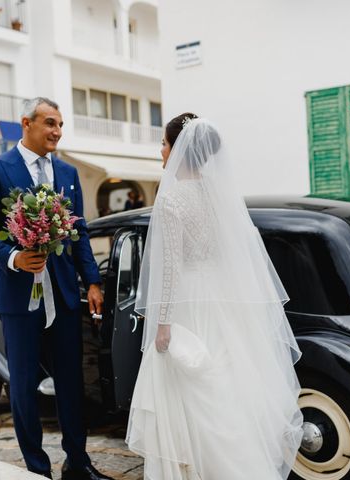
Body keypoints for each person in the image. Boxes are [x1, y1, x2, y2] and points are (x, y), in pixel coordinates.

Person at [126, 113, 304, 479]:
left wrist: (163, 325)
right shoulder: (217, 194)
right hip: (222, 301)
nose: (161, 150)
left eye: (164, 143)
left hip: (188, 303)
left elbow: (171, 268)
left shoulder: (172, 198)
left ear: (178, 149)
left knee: (187, 393)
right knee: (227, 391)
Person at [0, 97, 113, 480]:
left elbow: (79, 230)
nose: (57, 131)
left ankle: (78, 464)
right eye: (50, 123)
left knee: (71, 383)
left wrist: (93, 280)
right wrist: (14, 257)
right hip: (19, 300)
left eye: (60, 125)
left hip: (64, 296)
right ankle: (37, 469)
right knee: (22, 388)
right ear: (26, 123)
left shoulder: (66, 171)